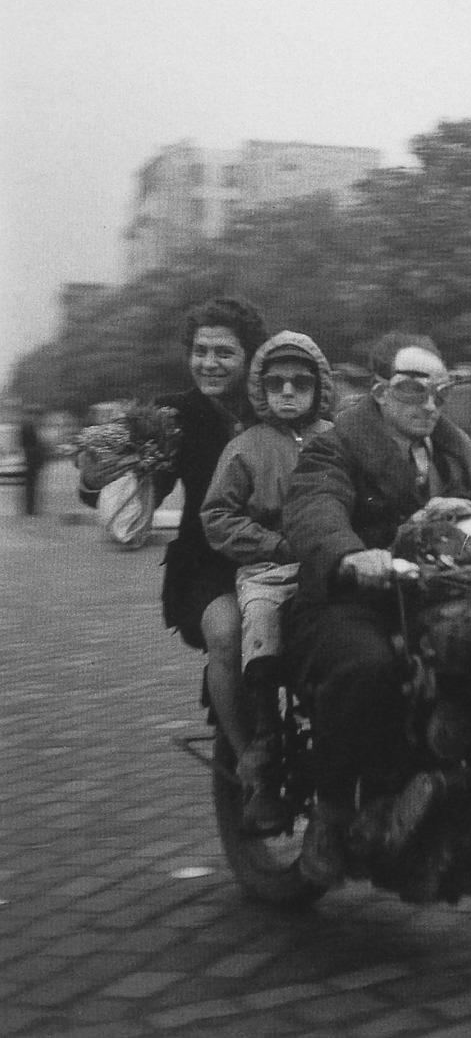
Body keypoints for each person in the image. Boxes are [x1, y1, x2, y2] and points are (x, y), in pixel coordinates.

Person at [282, 331, 471, 888]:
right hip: (350, 599)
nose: (430, 403)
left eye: (441, 390)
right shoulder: (336, 445)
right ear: (383, 392)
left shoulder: (453, 446)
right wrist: (352, 554)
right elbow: (316, 507)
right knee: (372, 668)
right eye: (415, 390)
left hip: (431, 597)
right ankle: (332, 815)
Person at [78, 297, 269, 755]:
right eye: (200, 351)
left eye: (224, 352)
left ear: (249, 357)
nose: (209, 363)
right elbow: (138, 489)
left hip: (274, 558)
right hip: (204, 568)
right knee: (227, 632)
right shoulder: (171, 416)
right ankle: (248, 764)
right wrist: (95, 479)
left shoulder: (277, 405)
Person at [200, 331, 334, 834]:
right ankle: (264, 734)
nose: (287, 392)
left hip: (328, 563)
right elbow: (218, 515)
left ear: (318, 387)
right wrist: (273, 545)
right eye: (276, 383)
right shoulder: (246, 446)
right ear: (261, 388)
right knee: (260, 619)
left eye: (300, 382)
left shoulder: (336, 437)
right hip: (270, 569)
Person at [19, 405, 46, 517]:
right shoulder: (28, 426)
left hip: (31, 458)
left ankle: (30, 508)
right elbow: (30, 444)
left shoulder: (28, 426)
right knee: (31, 485)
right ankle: (30, 509)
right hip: (31, 459)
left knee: (31, 485)